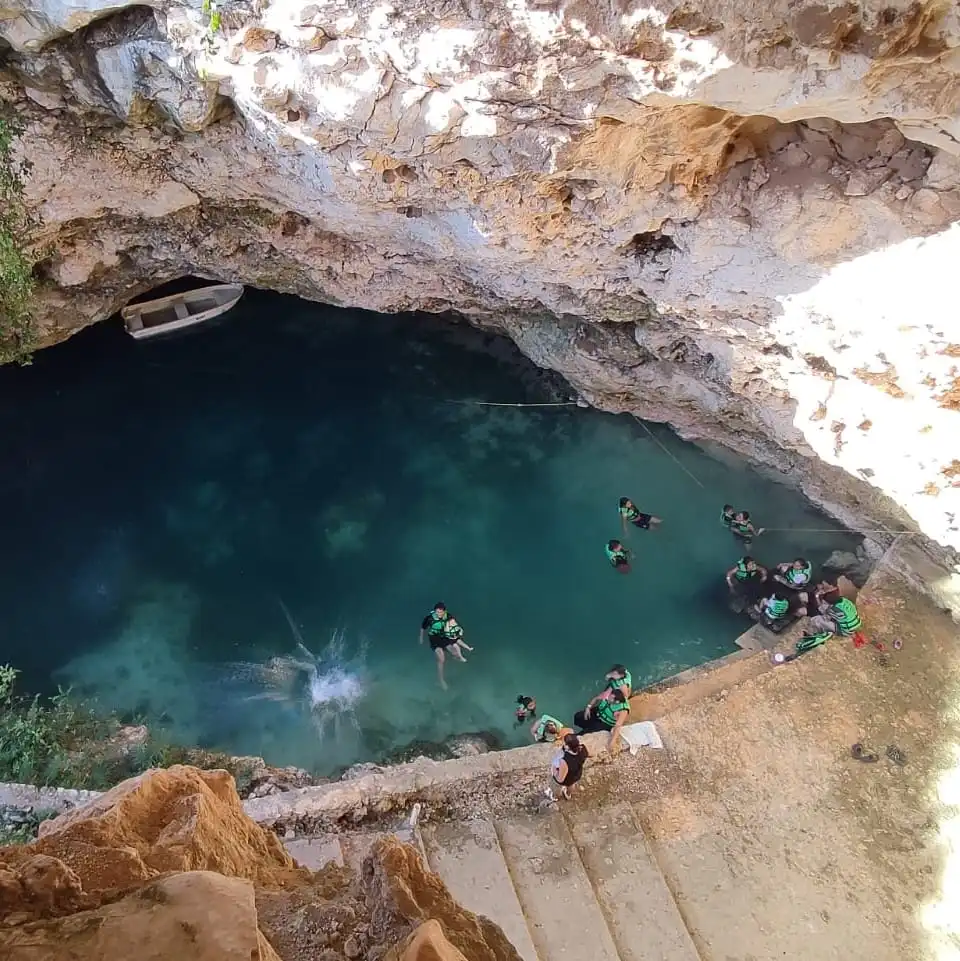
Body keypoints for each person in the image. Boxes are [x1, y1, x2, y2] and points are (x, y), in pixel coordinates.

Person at [547, 733, 589, 800]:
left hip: (567, 778)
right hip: (576, 774)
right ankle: (568, 794)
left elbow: (560, 780)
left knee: (556, 786)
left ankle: (555, 797)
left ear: (567, 746)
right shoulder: (583, 748)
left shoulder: (564, 761)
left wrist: (554, 771)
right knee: (571, 785)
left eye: (564, 743)